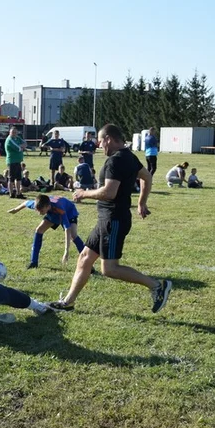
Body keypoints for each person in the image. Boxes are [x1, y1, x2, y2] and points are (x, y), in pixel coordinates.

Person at [48, 124, 172, 314]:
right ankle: (68, 302)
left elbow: (109, 192)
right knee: (84, 258)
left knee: (110, 269)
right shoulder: (129, 156)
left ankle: (156, 286)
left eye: (100, 140)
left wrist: (83, 193)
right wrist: (142, 203)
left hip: (113, 220)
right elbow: (146, 176)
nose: (99, 145)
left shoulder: (115, 161)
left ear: (109, 139)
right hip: (107, 219)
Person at [8, 193, 85, 268]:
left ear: (48, 206)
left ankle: (88, 263)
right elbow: (25, 203)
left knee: (73, 235)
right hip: (53, 213)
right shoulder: (40, 204)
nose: (39, 213)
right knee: (39, 230)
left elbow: (67, 228)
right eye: (37, 210)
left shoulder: (59, 208)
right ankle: (34, 262)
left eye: (41, 211)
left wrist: (66, 251)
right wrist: (15, 210)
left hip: (69, 212)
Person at [5, 126, 25, 198]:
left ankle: (18, 193)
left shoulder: (18, 138)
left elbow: (24, 144)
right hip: (12, 161)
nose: (14, 134)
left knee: (18, 178)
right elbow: (18, 148)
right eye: (13, 132)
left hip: (18, 161)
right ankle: (11, 193)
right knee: (11, 178)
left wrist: (22, 146)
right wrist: (21, 146)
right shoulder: (10, 140)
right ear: (10, 132)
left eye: (15, 132)